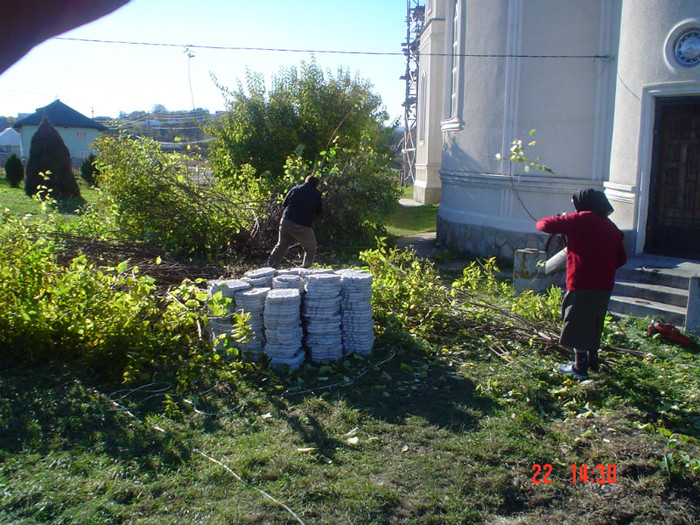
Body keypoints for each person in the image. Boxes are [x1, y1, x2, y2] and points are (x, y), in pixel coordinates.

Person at [536, 188, 627, 379]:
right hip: (604, 285)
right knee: (594, 321)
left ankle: (579, 367)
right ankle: (593, 361)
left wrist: (564, 218)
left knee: (576, 321)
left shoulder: (580, 219)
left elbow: (543, 225)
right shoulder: (611, 227)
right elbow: (621, 259)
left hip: (582, 281)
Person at [268, 175, 323, 269]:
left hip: (286, 221)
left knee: (281, 245)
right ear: (316, 185)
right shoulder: (317, 194)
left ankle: (271, 267)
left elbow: (284, 204)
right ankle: (304, 269)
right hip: (302, 225)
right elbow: (319, 213)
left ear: (306, 181)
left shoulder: (295, 189)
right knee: (311, 248)